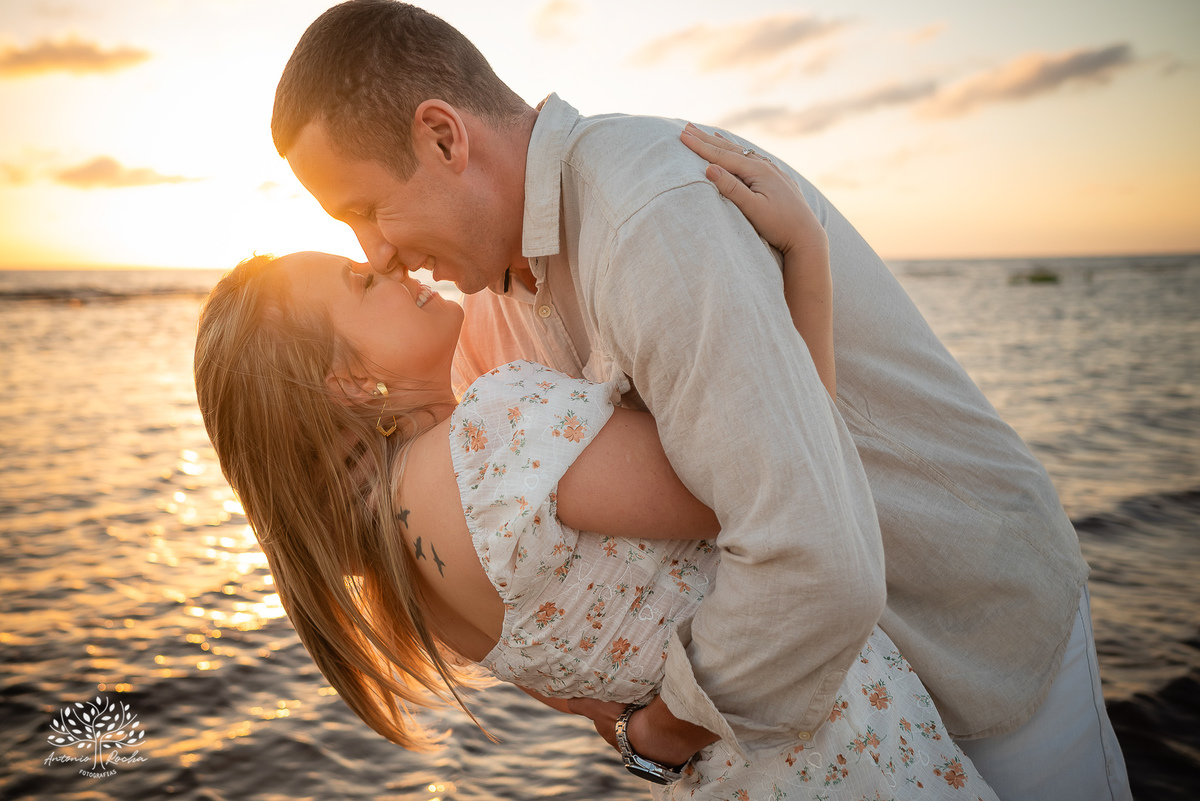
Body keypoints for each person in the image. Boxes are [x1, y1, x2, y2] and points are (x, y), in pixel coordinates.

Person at [269, 3, 1131, 798]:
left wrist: (661, 733)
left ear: (443, 137)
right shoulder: (486, 310)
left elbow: (814, 558)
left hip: (968, 627)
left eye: (366, 208)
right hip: (836, 717)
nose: (374, 251)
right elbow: (490, 548)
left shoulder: (652, 217)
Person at [195, 138, 998, 798]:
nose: (389, 264)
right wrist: (807, 261)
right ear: (348, 380)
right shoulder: (496, 436)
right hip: (858, 758)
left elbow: (612, 715)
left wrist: (649, 738)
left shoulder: (395, 576)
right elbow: (781, 484)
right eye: (362, 282)